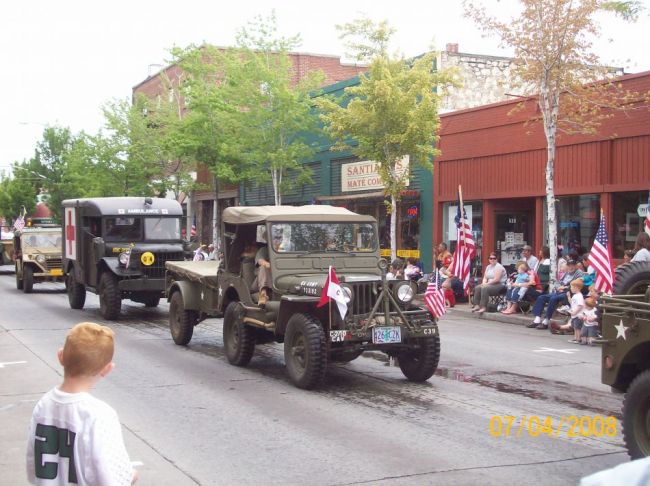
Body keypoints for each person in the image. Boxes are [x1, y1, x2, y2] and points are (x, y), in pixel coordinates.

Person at [26, 322, 137, 485]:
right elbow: (109, 475)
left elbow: (32, 462)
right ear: (106, 369)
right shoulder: (100, 415)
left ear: (61, 356)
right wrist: (131, 475)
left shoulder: (43, 406)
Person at [528, 259, 584, 330]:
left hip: (569, 293)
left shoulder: (579, 273)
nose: (571, 267)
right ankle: (537, 319)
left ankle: (546, 321)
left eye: (572, 265)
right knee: (541, 297)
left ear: (576, 266)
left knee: (553, 299)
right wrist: (558, 288)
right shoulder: (566, 272)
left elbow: (578, 285)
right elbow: (559, 282)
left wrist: (565, 287)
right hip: (559, 291)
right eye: (569, 265)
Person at [567, 279, 585, 344]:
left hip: (578, 315)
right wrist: (569, 297)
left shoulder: (579, 296)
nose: (571, 289)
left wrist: (575, 312)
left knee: (578, 328)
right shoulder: (575, 295)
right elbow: (572, 303)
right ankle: (575, 338)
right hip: (574, 315)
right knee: (575, 327)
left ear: (576, 288)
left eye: (571, 287)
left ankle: (578, 338)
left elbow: (580, 306)